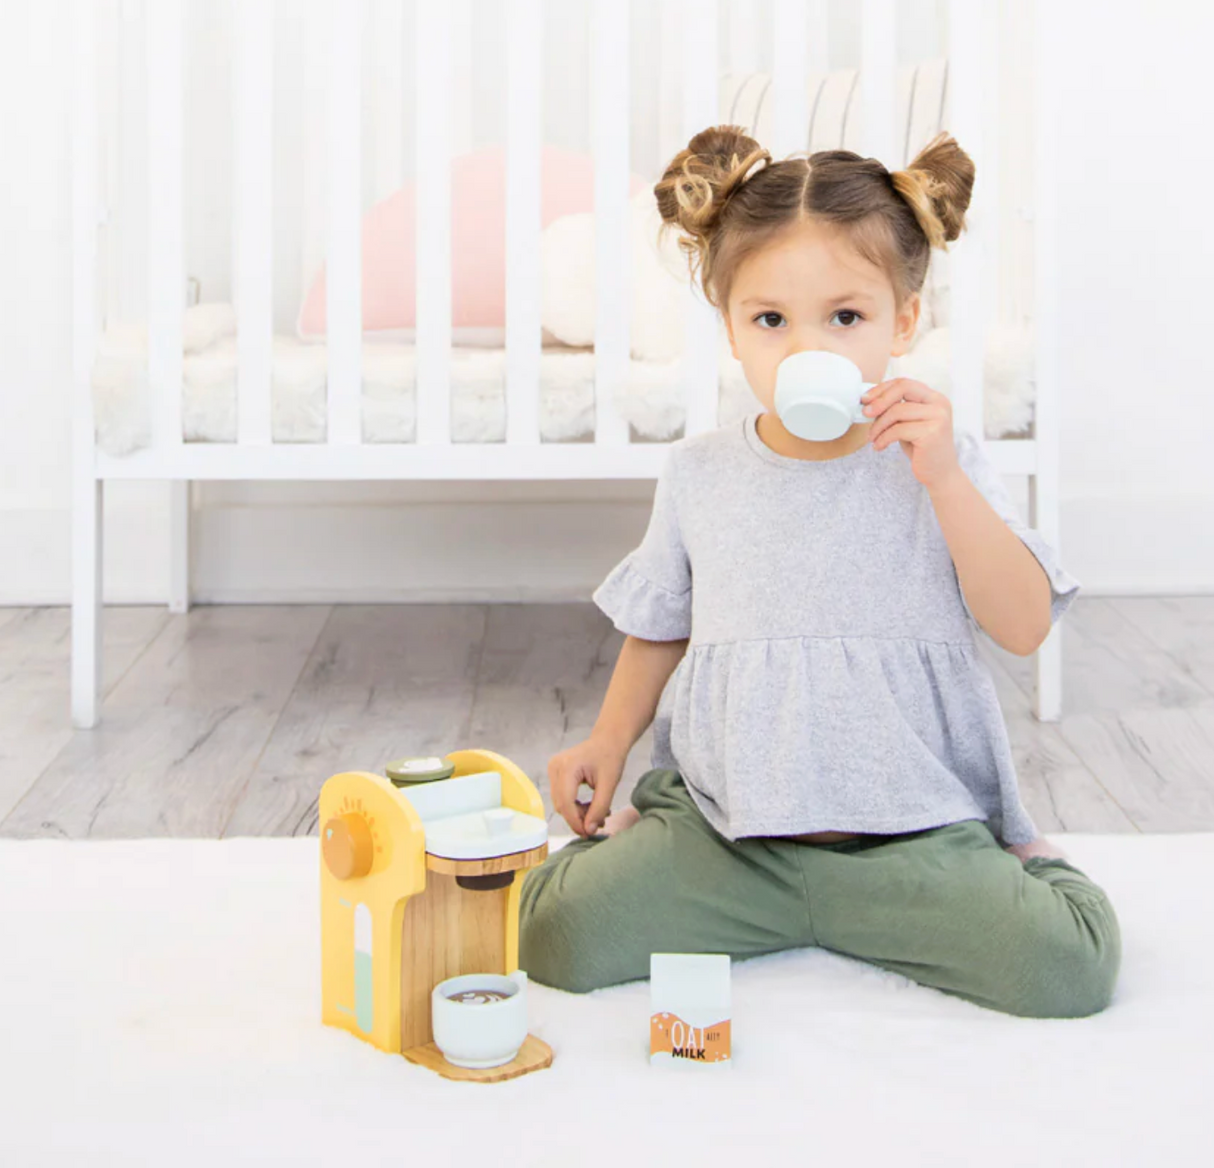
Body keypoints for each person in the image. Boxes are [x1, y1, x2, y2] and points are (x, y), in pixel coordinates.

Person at [517, 125, 1121, 1018]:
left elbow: (1025, 625)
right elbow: (662, 624)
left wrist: (945, 480)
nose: (810, 349)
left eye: (846, 317)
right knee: (553, 937)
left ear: (904, 320)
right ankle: (660, 843)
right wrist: (607, 742)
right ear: (730, 329)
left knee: (1064, 969)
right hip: (730, 833)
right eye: (771, 319)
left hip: (908, 833)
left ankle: (1018, 862)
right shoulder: (700, 474)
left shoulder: (943, 463)